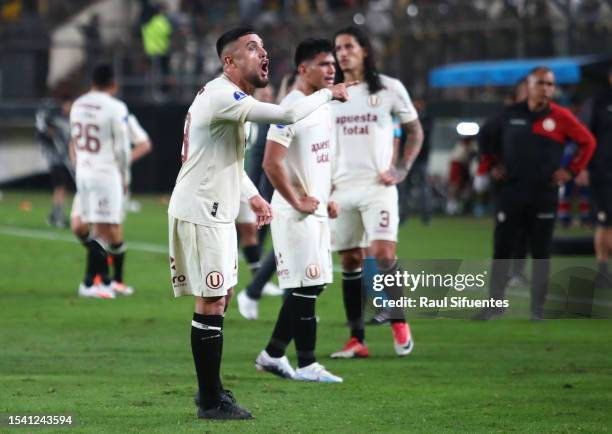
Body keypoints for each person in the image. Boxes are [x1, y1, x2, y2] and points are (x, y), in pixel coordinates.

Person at [167, 27, 355, 420]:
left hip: (216, 209)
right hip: (201, 210)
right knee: (212, 301)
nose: (263, 53)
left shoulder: (228, 98)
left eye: (264, 47)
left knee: (222, 299)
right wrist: (326, 94)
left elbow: (225, 158)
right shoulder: (224, 95)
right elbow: (286, 114)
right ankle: (210, 401)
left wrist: (252, 194)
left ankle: (212, 392)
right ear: (230, 61)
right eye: (253, 49)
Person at [329, 26, 423, 358]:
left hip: (377, 187)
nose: (342, 53)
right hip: (340, 188)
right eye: (338, 48)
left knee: (383, 254)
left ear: (364, 50)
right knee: (350, 260)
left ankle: (398, 321)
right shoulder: (329, 92)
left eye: (349, 46)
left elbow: (414, 131)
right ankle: (357, 339)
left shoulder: (389, 88)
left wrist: (401, 169)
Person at [474, 66, 596, 321]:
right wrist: (492, 164)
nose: (546, 89)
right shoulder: (508, 115)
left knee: (541, 251)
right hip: (511, 193)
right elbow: (484, 136)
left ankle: (537, 310)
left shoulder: (561, 117)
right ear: (528, 86)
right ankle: (495, 304)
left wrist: (571, 171)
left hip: (544, 194)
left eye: (550, 84)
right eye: (541, 83)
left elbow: (588, 142)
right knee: (502, 249)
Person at [254, 38, 342, 383]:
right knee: (306, 286)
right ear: (303, 69)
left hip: (315, 209)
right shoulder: (289, 107)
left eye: (333, 64)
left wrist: (327, 194)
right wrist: (297, 201)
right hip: (295, 213)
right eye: (324, 64)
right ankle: (292, 359)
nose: (332, 69)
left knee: (313, 286)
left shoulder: (322, 104)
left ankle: (284, 357)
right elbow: (270, 163)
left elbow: (319, 158)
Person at [70, 111, 152, 296]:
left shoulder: (123, 116)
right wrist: (77, 163)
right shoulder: (88, 116)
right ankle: (100, 279)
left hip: (113, 182)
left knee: (111, 231)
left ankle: (104, 280)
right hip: (89, 180)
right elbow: (73, 141)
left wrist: (120, 163)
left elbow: (144, 144)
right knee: (79, 227)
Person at [70, 64, 131, 299]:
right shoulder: (115, 107)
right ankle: (90, 282)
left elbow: (75, 141)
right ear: (112, 84)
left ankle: (102, 281)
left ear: (92, 83)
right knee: (104, 231)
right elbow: (123, 147)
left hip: (83, 172)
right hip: (105, 172)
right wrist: (124, 175)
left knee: (96, 229)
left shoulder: (78, 104)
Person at [585, 67, 612, 288]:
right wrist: (583, 167)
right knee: (605, 222)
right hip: (602, 173)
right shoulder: (599, 102)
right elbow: (585, 136)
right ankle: (602, 271)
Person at [35, 94, 73, 228]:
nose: (69, 107)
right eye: (67, 104)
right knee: (60, 188)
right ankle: (58, 216)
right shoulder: (55, 119)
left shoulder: (68, 120)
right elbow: (44, 132)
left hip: (63, 160)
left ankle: (54, 216)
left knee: (61, 188)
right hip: (57, 159)